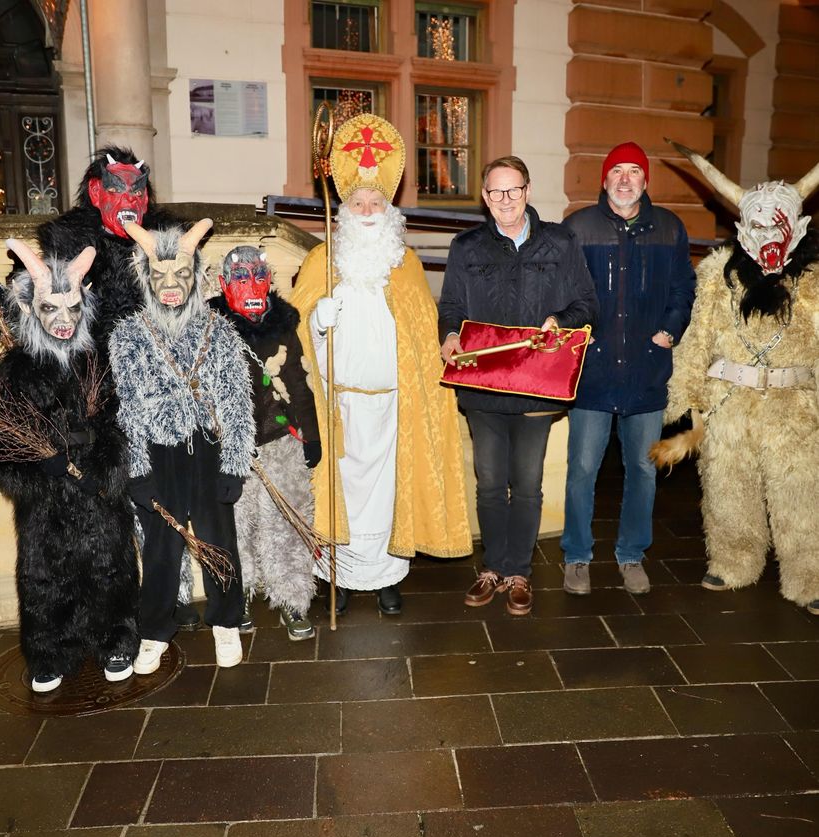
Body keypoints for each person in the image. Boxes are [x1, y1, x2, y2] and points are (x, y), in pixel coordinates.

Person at [0, 146, 201, 631]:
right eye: (118, 189)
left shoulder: (164, 237)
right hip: (85, 396)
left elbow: (189, 299)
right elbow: (37, 303)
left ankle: (166, 599)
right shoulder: (64, 240)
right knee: (103, 508)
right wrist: (3, 298)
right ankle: (102, 614)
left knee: (160, 502)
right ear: (97, 192)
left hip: (154, 389)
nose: (130, 199)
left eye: (138, 189)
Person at [291, 112, 471, 616]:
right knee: (340, 493)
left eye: (376, 203)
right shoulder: (321, 262)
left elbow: (419, 331)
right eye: (358, 202)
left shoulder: (406, 264)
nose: (368, 210)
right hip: (341, 405)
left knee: (389, 492)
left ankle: (387, 579)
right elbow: (297, 336)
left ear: (389, 209)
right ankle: (340, 579)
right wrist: (317, 322)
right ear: (343, 208)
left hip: (393, 405)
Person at [656, 143, 819, 615]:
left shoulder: (811, 284)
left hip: (793, 409)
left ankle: (808, 577)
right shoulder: (715, 277)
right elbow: (696, 339)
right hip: (728, 404)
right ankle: (733, 561)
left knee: (801, 494)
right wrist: (677, 397)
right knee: (728, 488)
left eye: (778, 225)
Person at [0, 239, 139, 692]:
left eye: (72, 309)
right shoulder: (14, 371)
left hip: (98, 494)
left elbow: (121, 423)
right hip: (45, 505)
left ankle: (116, 639)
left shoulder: (98, 362)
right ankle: (49, 652)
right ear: (31, 310)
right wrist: (38, 471)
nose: (64, 322)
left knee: (111, 567)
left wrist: (105, 470)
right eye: (51, 310)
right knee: (46, 576)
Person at [440, 155, 598, 616]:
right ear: (485, 198)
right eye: (495, 192)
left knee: (526, 484)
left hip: (536, 386)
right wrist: (450, 334)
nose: (505, 200)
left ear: (527, 191)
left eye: (513, 190)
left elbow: (588, 303)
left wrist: (560, 320)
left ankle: (520, 573)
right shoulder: (466, 247)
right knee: (489, 482)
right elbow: (450, 304)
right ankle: (492, 567)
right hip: (484, 386)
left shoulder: (561, 242)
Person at [108, 219, 255, 672]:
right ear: (146, 277)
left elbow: (235, 401)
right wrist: (137, 469)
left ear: (197, 277)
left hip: (208, 450)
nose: (170, 286)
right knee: (160, 548)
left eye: (181, 275)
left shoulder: (220, 331)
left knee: (219, 540)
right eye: (160, 276)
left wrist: (234, 464)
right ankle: (153, 630)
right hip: (159, 454)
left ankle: (226, 621)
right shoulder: (128, 336)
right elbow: (127, 408)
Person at [559, 142, 696, 596]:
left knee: (643, 467)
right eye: (615, 170)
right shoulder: (577, 227)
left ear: (645, 181)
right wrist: (580, 331)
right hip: (593, 373)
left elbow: (683, 289)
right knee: (582, 468)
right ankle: (577, 556)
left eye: (633, 171)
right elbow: (562, 290)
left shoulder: (670, 229)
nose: (624, 179)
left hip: (646, 370)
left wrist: (669, 331)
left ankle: (632, 554)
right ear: (604, 179)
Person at [213, 245, 321, 640]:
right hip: (232, 450)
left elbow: (300, 383)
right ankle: (238, 595)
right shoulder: (210, 326)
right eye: (241, 278)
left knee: (288, 524)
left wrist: (311, 436)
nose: (252, 284)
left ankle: (293, 600)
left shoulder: (283, 324)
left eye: (259, 275)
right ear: (225, 284)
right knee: (234, 527)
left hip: (280, 443)